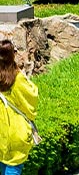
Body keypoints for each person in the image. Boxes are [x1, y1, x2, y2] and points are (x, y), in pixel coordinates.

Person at [0, 39, 38, 175]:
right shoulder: (17, 78)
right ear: (12, 56)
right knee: (13, 168)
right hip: (15, 131)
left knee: (2, 165)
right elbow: (32, 97)